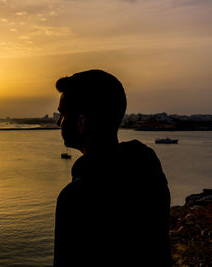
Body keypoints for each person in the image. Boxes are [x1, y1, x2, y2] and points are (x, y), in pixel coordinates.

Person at [53, 70, 172, 266]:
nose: (59, 122)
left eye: (62, 114)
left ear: (81, 122)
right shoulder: (148, 171)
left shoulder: (77, 197)